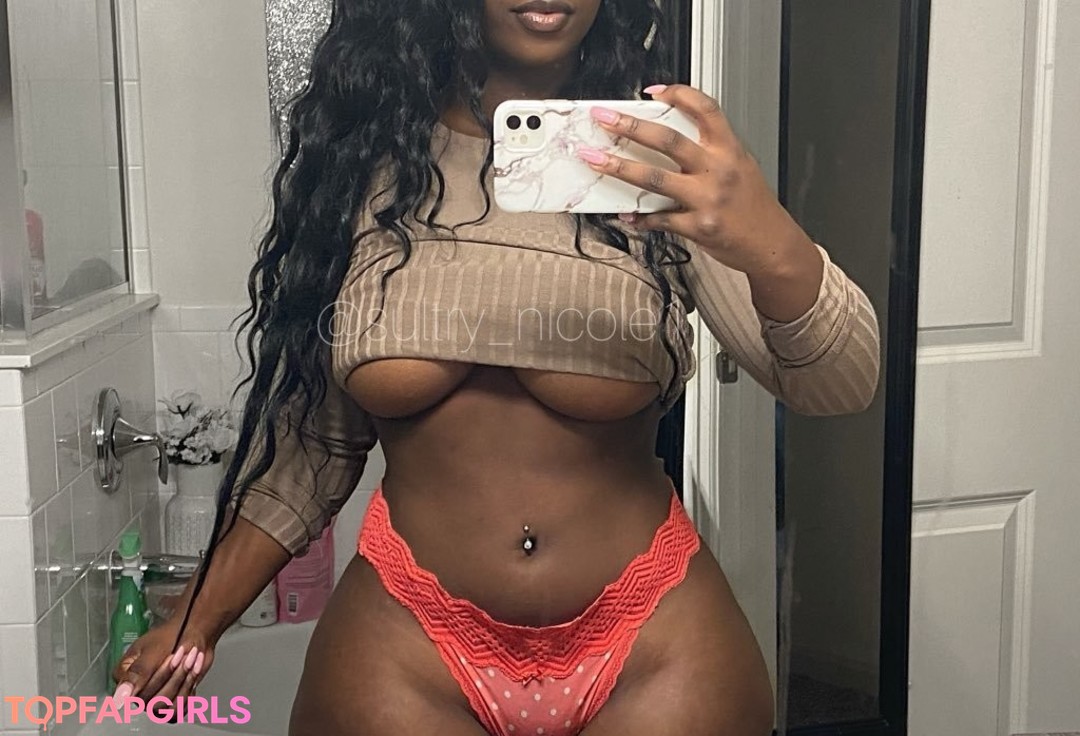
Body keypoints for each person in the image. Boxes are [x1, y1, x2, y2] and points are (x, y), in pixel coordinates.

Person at [111, 1, 880, 734]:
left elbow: (839, 382)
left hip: (653, 643)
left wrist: (768, 236)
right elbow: (313, 444)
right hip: (408, 644)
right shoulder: (366, 163)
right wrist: (199, 617)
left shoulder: (655, 163)